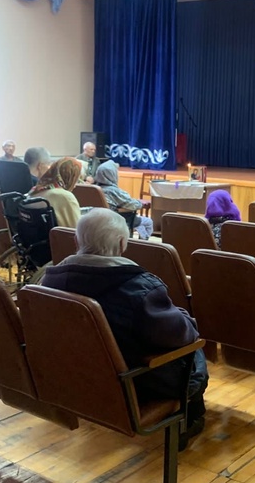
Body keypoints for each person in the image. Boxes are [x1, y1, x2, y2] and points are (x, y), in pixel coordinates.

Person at [41, 209, 208, 449]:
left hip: (77, 375)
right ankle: (192, 417)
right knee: (194, 348)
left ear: (76, 241)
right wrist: (184, 316)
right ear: (122, 243)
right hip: (133, 382)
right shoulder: (140, 289)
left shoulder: (49, 281)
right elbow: (183, 335)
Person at [94, 161, 153, 240]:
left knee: (140, 225)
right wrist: (140, 203)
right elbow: (132, 205)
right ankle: (142, 244)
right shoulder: (113, 191)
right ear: (112, 174)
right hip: (116, 220)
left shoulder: (94, 189)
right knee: (148, 222)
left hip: (96, 220)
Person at [28, 157, 82, 228]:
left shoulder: (34, 191)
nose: (75, 185)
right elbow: (78, 230)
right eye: (76, 179)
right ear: (70, 177)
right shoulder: (65, 196)